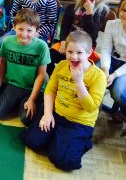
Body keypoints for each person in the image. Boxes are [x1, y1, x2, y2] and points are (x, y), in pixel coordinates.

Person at [20, 30, 106, 171]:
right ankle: (57, 138)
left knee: (63, 161)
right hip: (56, 113)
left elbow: (91, 107)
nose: (73, 57)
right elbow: (50, 91)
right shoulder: (61, 66)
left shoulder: (98, 76)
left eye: (79, 53)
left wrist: (79, 82)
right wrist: (47, 114)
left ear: (89, 52)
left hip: (78, 123)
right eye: (70, 52)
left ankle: (82, 141)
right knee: (31, 141)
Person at [0, 8, 50, 125]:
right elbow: (2, 61)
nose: (24, 34)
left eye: (29, 30)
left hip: (33, 88)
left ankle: (19, 102)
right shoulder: (7, 42)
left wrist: (32, 99)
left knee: (26, 119)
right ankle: (1, 90)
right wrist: (0, 81)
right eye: (20, 29)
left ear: (36, 31)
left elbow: (41, 75)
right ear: (14, 27)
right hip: (14, 84)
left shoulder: (42, 46)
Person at [47, 0, 109, 75]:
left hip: (86, 47)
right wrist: (63, 41)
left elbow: (92, 35)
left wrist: (89, 13)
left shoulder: (101, 12)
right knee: (49, 59)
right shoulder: (72, 7)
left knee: (80, 67)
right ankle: (57, 81)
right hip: (68, 43)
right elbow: (65, 27)